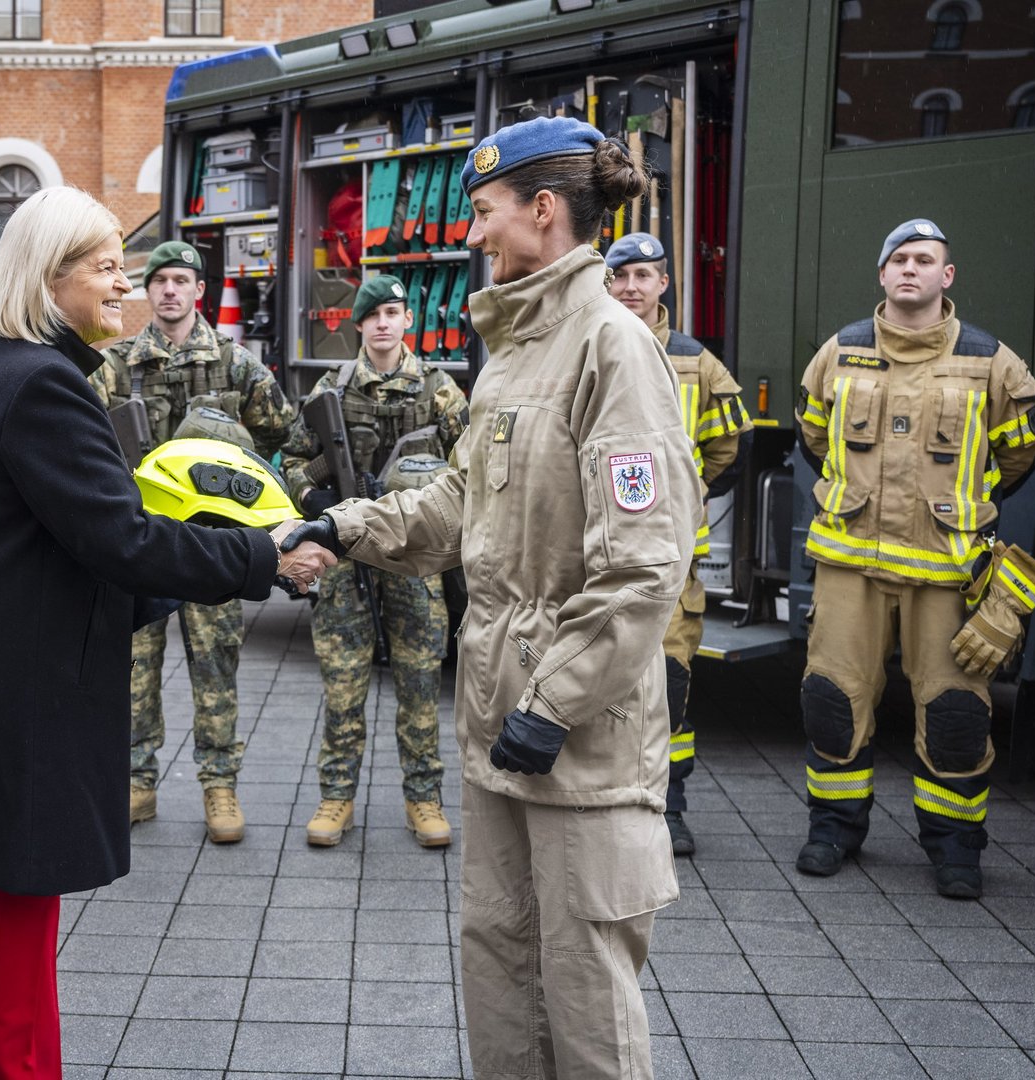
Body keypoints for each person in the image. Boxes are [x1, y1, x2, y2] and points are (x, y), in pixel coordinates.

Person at [0, 186, 332, 1079]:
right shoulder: (41, 383)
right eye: (107, 268)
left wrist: (198, 569)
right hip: (14, 711)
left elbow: (68, 552)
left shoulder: (6, 366)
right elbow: (121, 539)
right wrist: (260, 560)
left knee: (8, 943)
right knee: (8, 952)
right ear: (51, 280)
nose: (124, 284)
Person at [287, 115, 698, 1079]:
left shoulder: (611, 346)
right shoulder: (516, 348)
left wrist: (553, 705)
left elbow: (644, 565)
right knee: (501, 968)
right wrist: (345, 528)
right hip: (498, 727)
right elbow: (458, 502)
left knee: (587, 995)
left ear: (543, 212)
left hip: (574, 742)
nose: (471, 234)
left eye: (484, 212)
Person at [793, 219, 1035, 898]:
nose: (910, 268)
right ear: (883, 275)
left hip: (945, 573)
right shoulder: (839, 352)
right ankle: (833, 830)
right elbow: (813, 435)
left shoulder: (991, 361)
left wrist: (961, 505)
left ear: (947, 276)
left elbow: (1022, 449)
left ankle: (956, 849)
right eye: (899, 259)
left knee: (957, 715)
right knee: (832, 703)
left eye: (924, 259)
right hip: (850, 566)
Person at [91, 239, 294, 842]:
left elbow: (281, 431)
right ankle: (136, 780)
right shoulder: (115, 365)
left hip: (211, 547)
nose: (170, 290)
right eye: (160, 281)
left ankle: (220, 785)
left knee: (216, 665)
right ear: (146, 291)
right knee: (133, 667)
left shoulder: (233, 363)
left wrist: (249, 499)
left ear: (199, 290)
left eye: (181, 280)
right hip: (140, 542)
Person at [278, 274, 470, 848]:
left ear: (407, 319)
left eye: (394, 311)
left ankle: (425, 799)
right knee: (343, 686)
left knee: (418, 684)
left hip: (415, 562)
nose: (384, 322)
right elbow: (290, 459)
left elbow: (472, 470)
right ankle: (336, 797)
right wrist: (314, 501)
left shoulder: (439, 390)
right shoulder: (329, 392)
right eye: (373, 314)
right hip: (343, 562)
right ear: (358, 324)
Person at [605, 232, 753, 857]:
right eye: (621, 275)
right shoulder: (583, 347)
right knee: (597, 684)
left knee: (667, 686)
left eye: (645, 274)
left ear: (665, 283)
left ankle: (670, 807)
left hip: (668, 565)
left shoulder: (698, 363)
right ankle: (603, 807)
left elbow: (728, 450)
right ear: (605, 284)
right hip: (594, 560)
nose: (633, 286)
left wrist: (679, 501)